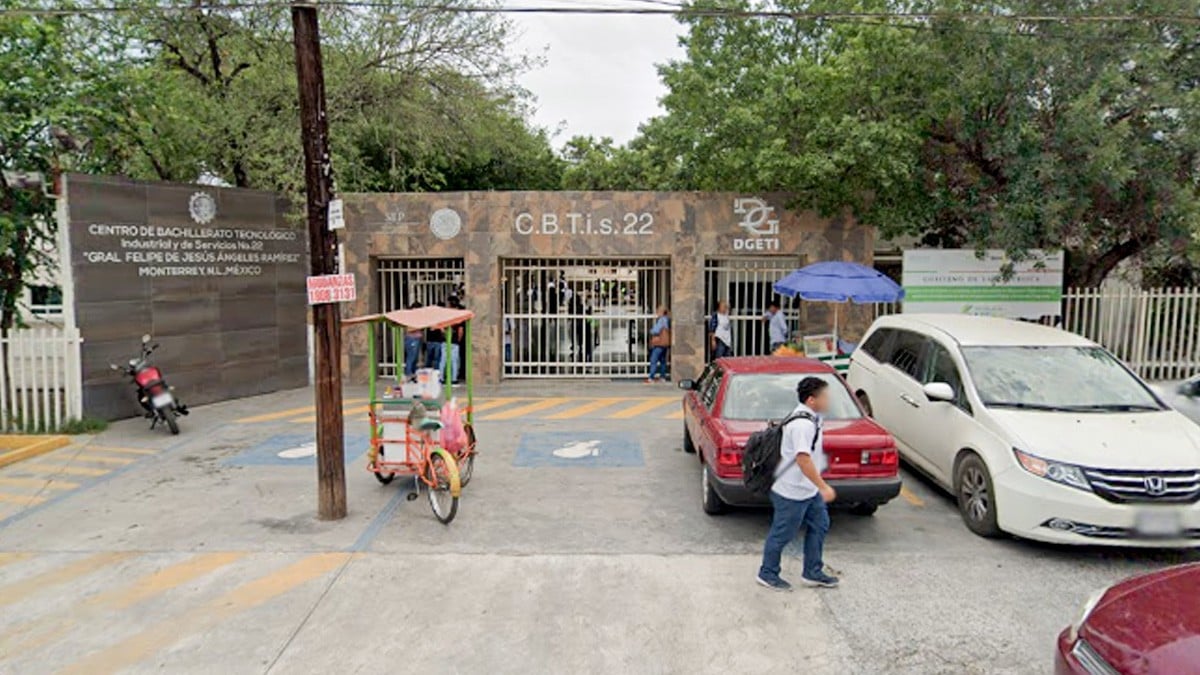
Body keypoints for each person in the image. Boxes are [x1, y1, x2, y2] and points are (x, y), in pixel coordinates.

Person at [757, 376, 839, 591]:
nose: (828, 400)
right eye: (825, 396)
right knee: (782, 533)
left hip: (807, 490)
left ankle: (812, 572)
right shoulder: (802, 424)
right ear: (812, 400)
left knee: (820, 525)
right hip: (791, 491)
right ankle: (767, 573)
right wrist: (823, 486)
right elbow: (803, 459)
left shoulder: (813, 418)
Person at [646, 305, 670, 383]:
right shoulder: (667, 319)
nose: (657, 313)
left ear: (662, 312)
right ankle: (663, 377)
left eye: (658, 311)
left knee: (654, 360)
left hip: (659, 344)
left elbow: (656, 331)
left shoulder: (661, 320)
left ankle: (651, 377)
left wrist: (651, 331)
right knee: (663, 361)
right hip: (665, 344)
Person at [403, 301, 424, 379]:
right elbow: (409, 329)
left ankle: (413, 373)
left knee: (414, 357)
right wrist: (419, 326)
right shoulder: (410, 317)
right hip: (412, 338)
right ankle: (408, 374)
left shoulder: (416, 317)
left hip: (416, 338)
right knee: (411, 357)